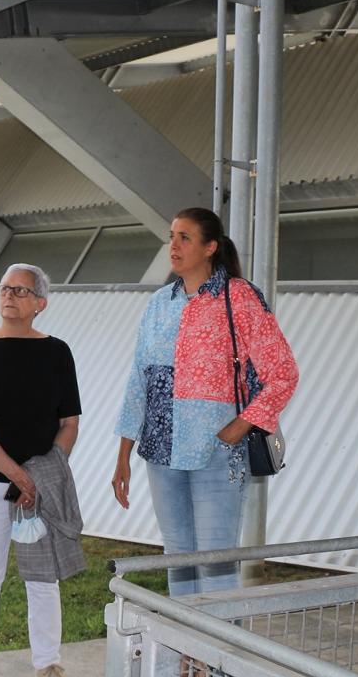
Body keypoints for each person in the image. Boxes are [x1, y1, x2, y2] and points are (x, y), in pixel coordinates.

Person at [111, 207, 298, 596]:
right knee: (178, 560)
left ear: (211, 247)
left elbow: (282, 373)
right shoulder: (159, 303)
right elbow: (138, 379)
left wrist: (237, 427)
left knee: (216, 565)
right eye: (172, 236)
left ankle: (218, 657)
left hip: (216, 453)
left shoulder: (239, 297)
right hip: (160, 453)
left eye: (185, 238)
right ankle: (187, 656)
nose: (173, 246)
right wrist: (123, 453)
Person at [0, 263, 81, 677]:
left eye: (21, 291)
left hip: (39, 486)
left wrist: (41, 474)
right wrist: (17, 475)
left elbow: (69, 423)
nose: (9, 296)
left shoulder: (57, 352)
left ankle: (48, 663)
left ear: (40, 304)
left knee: (43, 577)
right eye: (5, 288)